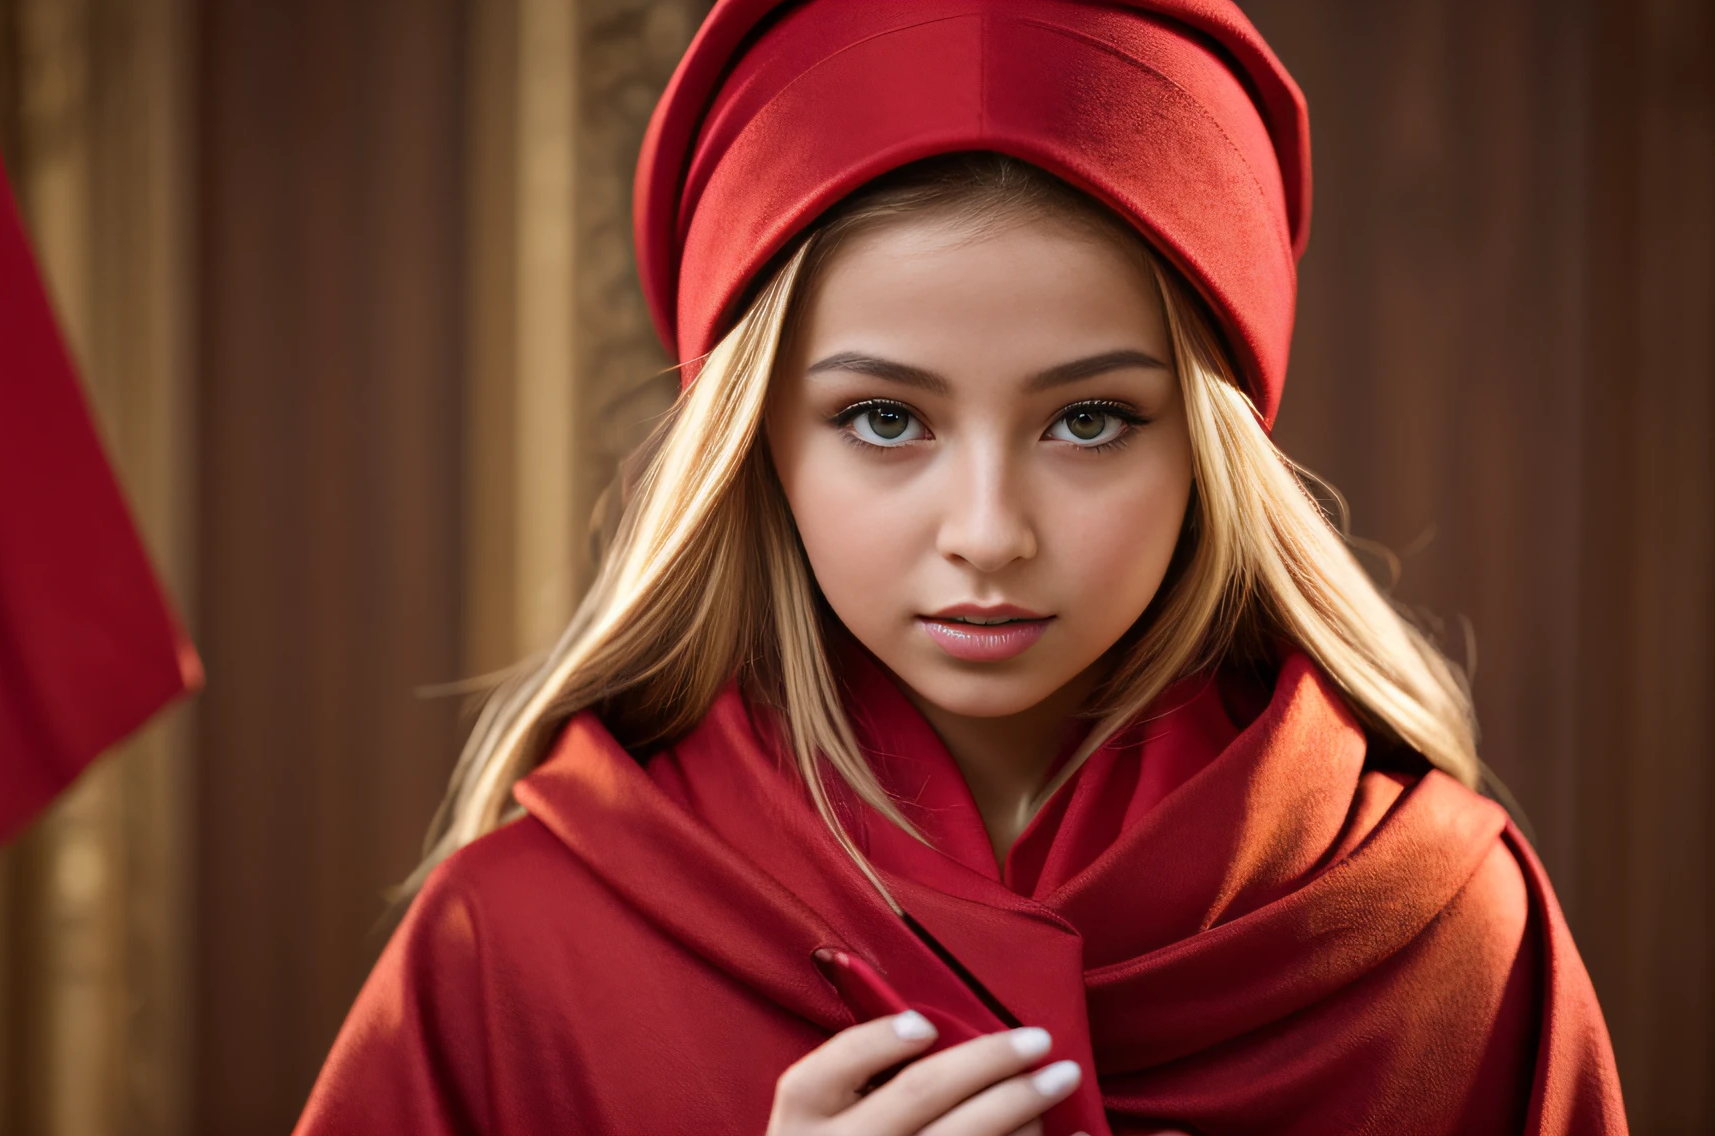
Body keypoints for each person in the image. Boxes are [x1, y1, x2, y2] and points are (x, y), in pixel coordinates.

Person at [297, 2, 1626, 1133]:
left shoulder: (1456, 940)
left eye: (1088, 420)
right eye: (885, 420)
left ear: (1209, 448)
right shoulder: (513, 954)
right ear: (758, 444)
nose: (989, 531)